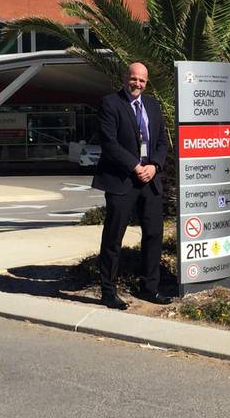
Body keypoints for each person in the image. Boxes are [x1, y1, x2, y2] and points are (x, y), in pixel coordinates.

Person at [92, 62, 170, 308]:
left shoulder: (153, 106)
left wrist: (154, 166)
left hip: (150, 179)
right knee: (114, 237)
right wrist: (135, 166)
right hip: (122, 179)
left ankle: (149, 287)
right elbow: (110, 143)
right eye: (134, 79)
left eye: (142, 81)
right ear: (125, 77)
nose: (137, 84)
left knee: (154, 234)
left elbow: (161, 142)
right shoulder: (110, 103)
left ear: (147, 83)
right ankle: (108, 291)